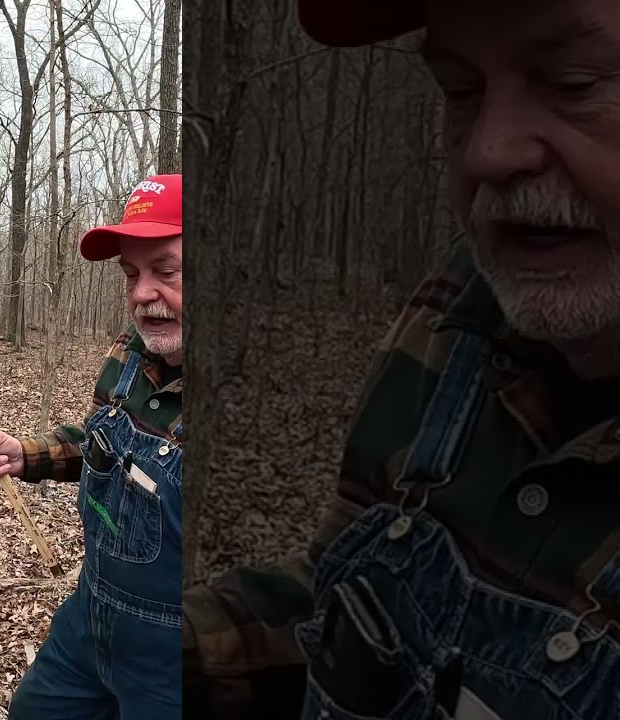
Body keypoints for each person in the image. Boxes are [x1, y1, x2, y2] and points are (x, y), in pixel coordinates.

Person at [184, 0, 620, 717]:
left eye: (573, 82)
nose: (487, 150)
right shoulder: (465, 311)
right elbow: (353, 606)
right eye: (460, 89)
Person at [0, 173, 183, 719]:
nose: (141, 294)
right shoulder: (129, 354)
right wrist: (28, 454)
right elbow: (104, 440)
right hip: (90, 618)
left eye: (167, 271)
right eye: (131, 274)